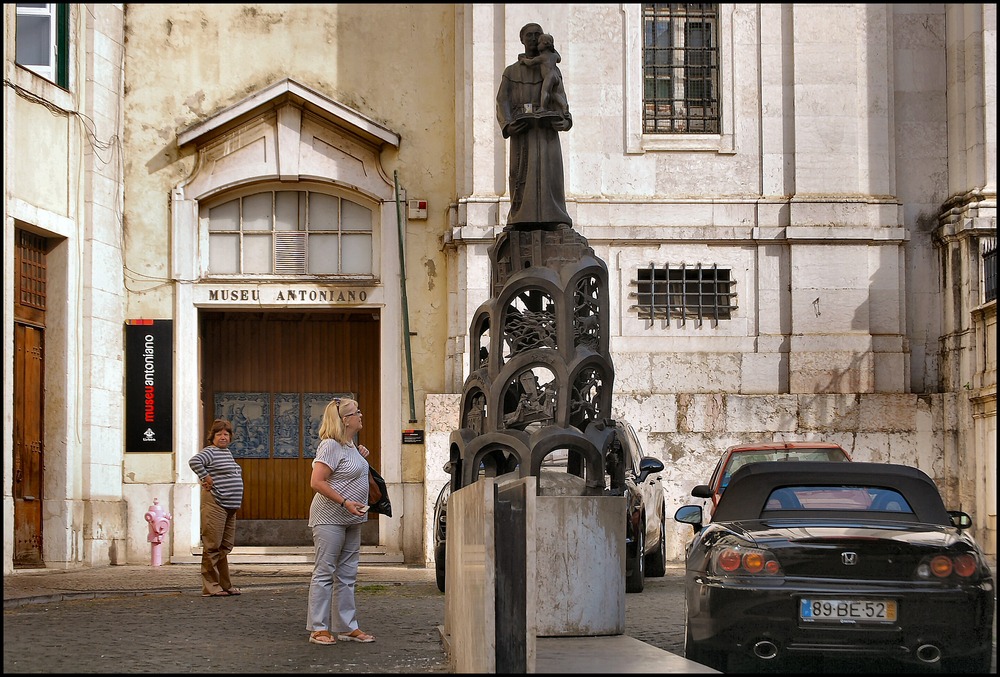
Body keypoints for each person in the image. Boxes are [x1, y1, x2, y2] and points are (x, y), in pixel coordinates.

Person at [306, 397, 376, 645]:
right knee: (325, 572)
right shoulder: (330, 446)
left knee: (347, 575)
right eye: (357, 413)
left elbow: (349, 473)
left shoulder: (349, 446)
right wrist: (345, 501)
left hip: (352, 518)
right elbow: (317, 481)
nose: (361, 416)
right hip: (330, 517)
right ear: (345, 420)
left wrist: (360, 455)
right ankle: (318, 628)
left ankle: (347, 627)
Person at [496, 22, 573, 229]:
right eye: (529, 35)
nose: (533, 38)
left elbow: (560, 96)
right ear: (522, 39)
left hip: (547, 131)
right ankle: (518, 218)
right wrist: (508, 124)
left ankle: (557, 218)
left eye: (537, 35)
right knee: (520, 174)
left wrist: (565, 119)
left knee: (551, 175)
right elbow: (502, 100)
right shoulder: (511, 71)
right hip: (522, 131)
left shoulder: (551, 68)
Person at [189, 418, 244, 597]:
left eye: (226, 434)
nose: (223, 437)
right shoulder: (210, 452)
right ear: (212, 437)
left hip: (230, 506)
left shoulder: (226, 453)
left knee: (225, 546)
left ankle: (224, 584)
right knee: (212, 545)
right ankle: (210, 586)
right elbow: (195, 461)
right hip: (216, 503)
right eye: (219, 434)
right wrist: (205, 477)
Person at [518, 33, 567, 116]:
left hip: (549, 76)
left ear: (544, 44)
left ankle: (543, 108)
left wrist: (523, 60)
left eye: (539, 43)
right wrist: (552, 48)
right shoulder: (554, 55)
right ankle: (564, 106)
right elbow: (559, 59)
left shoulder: (542, 57)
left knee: (545, 91)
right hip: (555, 75)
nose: (537, 46)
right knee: (555, 94)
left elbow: (531, 62)